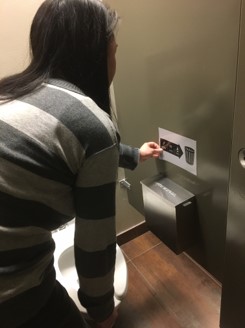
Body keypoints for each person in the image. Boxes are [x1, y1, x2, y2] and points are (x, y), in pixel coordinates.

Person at [0, 0, 162, 327]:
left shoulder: (13, 93)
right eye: (114, 50)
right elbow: (94, 244)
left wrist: (134, 155)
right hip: (13, 294)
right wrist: (102, 311)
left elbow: (58, 152)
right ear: (94, 55)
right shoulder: (91, 123)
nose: (115, 60)